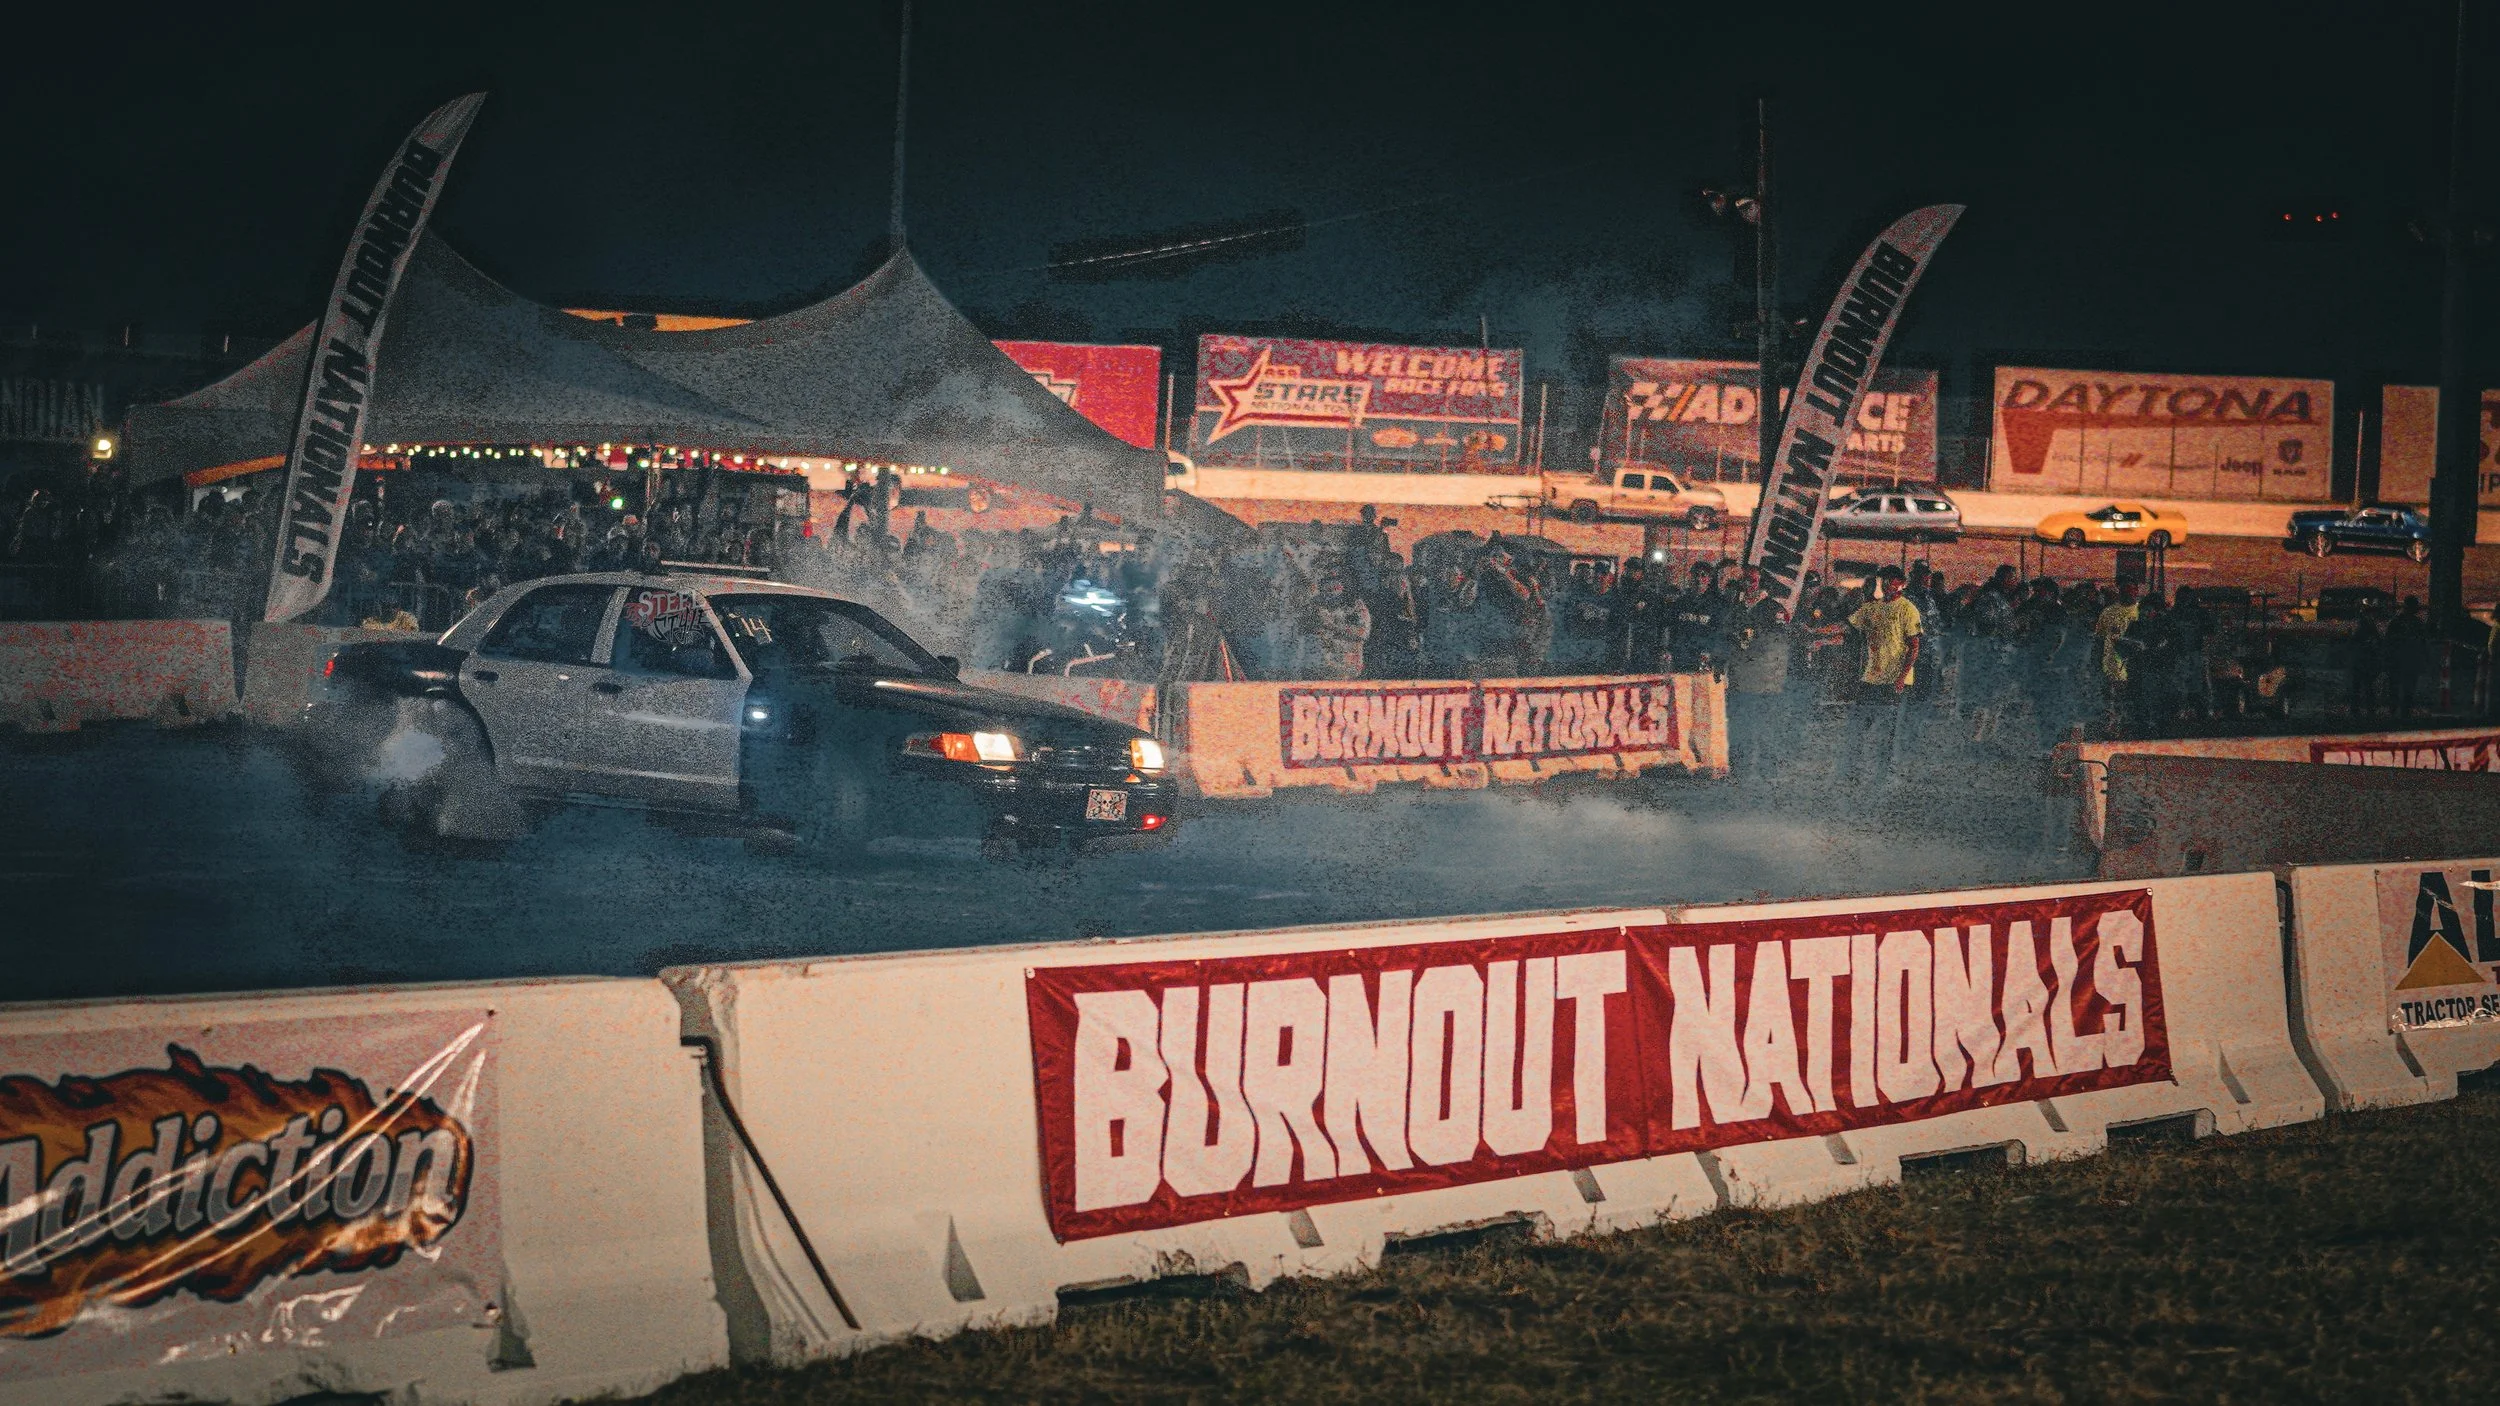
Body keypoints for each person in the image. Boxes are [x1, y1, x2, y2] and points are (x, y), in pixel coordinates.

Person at [1824, 564, 1922, 795]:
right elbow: (1846, 626)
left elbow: (1914, 647)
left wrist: (1901, 676)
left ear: (1901, 583)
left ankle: (1882, 776)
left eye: (1892, 580)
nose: (1888, 584)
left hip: (1893, 681)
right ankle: (1849, 772)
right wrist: (1818, 632)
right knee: (1857, 727)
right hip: (1871, 678)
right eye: (1885, 580)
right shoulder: (1872, 608)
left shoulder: (1907, 609)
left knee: (1886, 732)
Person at [2093, 581, 2140, 737]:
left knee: (2128, 700)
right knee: (2111, 699)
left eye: (2132, 590)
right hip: (2111, 665)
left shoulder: (2140, 611)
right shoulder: (2108, 613)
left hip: (2132, 667)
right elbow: (2099, 639)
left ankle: (2124, 729)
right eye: (2125, 591)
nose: (2128, 594)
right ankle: (2112, 728)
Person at [2386, 596, 2432, 720]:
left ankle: (2394, 712)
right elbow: (2423, 642)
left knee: (2395, 687)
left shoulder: (2395, 622)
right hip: (2410, 660)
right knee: (2408, 688)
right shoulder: (2417, 623)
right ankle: (2404, 713)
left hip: (2398, 660)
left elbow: (2388, 642)